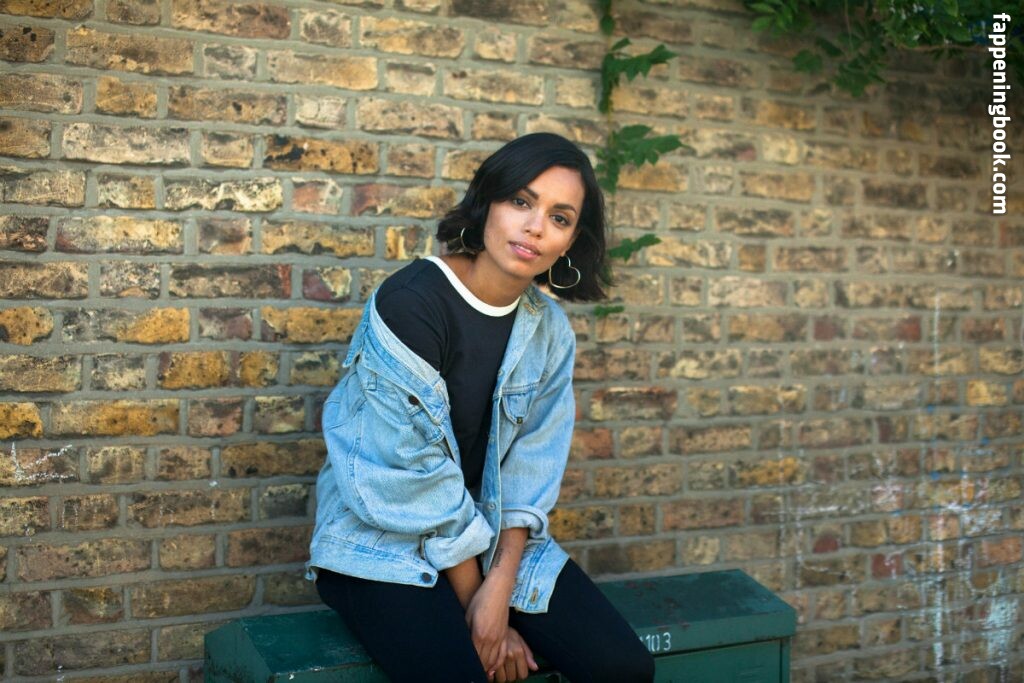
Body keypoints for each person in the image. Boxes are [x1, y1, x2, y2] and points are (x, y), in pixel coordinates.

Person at [306, 132, 656, 682]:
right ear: (487, 201)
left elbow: (530, 469)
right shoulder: (411, 304)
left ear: (571, 242)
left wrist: (500, 587)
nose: (535, 227)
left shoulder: (549, 331)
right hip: (382, 539)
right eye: (520, 201)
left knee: (624, 668)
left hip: (487, 535)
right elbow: (413, 479)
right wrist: (484, 611)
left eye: (559, 218)